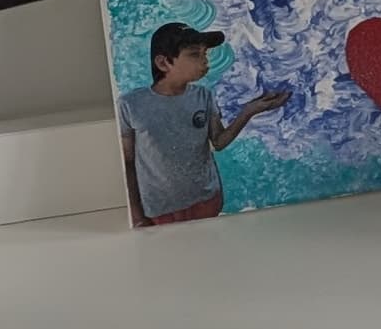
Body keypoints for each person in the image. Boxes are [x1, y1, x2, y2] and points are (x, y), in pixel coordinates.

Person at [118, 22, 291, 225]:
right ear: (163, 63)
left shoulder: (203, 96)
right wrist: (137, 214)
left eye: (205, 53)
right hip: (159, 208)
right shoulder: (130, 104)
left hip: (207, 200)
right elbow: (127, 162)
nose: (205, 61)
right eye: (194, 54)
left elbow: (218, 141)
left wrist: (250, 110)